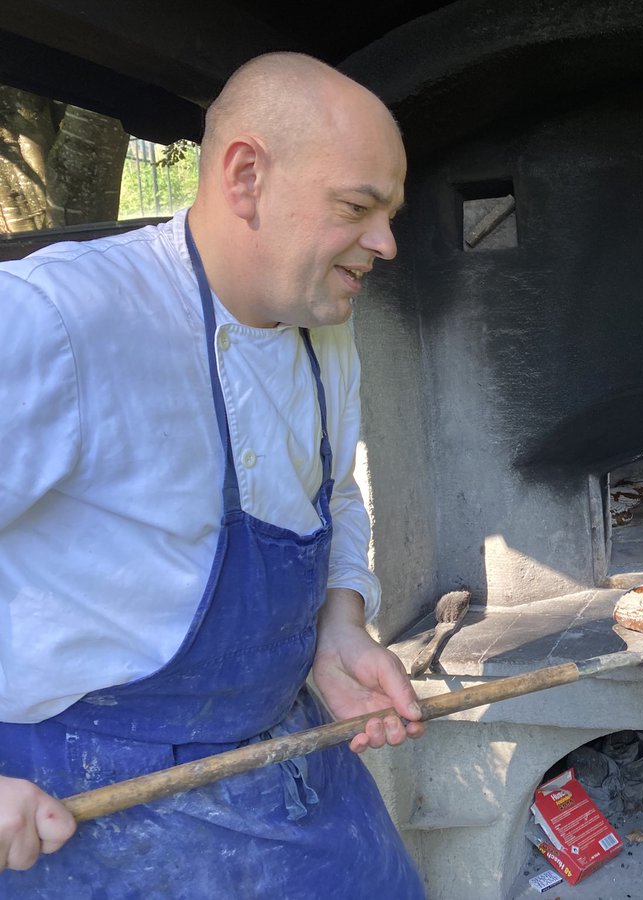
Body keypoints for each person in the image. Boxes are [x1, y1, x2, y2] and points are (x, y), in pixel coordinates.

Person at [0, 52, 426, 897]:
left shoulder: (321, 322)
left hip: (287, 748)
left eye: (391, 214)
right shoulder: (56, 322)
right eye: (358, 208)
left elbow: (333, 491)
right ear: (245, 176)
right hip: (90, 803)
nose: (385, 243)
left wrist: (339, 624)